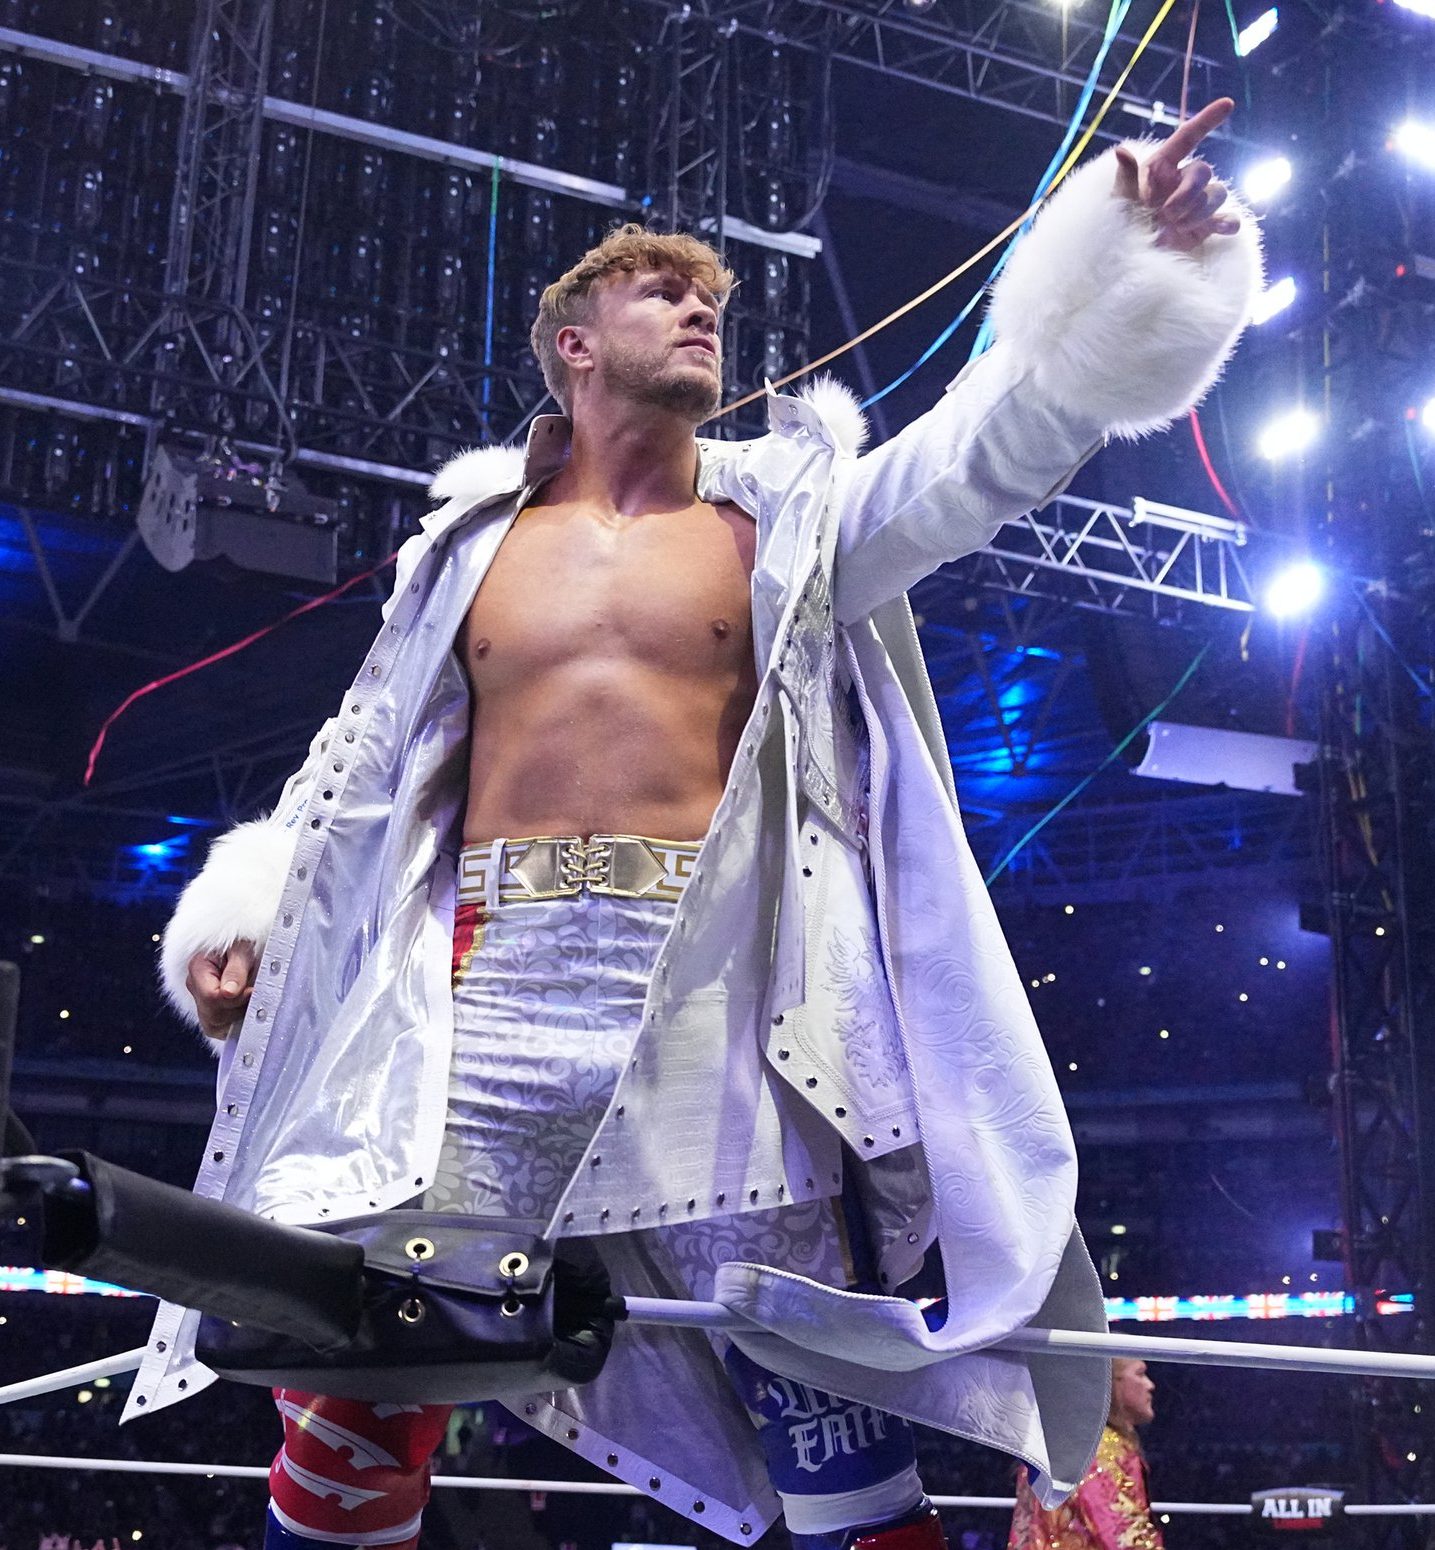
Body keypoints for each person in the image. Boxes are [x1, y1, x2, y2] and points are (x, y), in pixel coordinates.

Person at [136, 100, 1261, 1550]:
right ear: (573, 343)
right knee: (361, 1405)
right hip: (480, 1017)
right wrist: (250, 913)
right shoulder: (463, 552)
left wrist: (1116, 273)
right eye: (660, 290)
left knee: (832, 1440)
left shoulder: (788, 522)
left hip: (721, 1020)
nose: (699, 312)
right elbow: (356, 771)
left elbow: (985, 456)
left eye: (713, 299)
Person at [1007, 1360, 1162, 1550]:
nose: (1150, 1385)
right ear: (1111, 1381)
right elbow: (1120, 1533)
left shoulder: (1063, 1441)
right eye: (1139, 1374)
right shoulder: (1096, 1449)